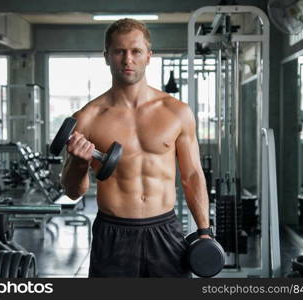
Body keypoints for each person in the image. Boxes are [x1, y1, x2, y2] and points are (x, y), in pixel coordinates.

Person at [61, 18, 210, 278]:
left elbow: (192, 176)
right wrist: (80, 162)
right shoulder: (87, 118)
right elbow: (73, 192)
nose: (127, 59)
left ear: (148, 56)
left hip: (165, 230)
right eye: (119, 51)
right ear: (107, 56)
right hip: (113, 234)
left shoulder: (176, 112)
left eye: (136, 51)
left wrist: (205, 232)